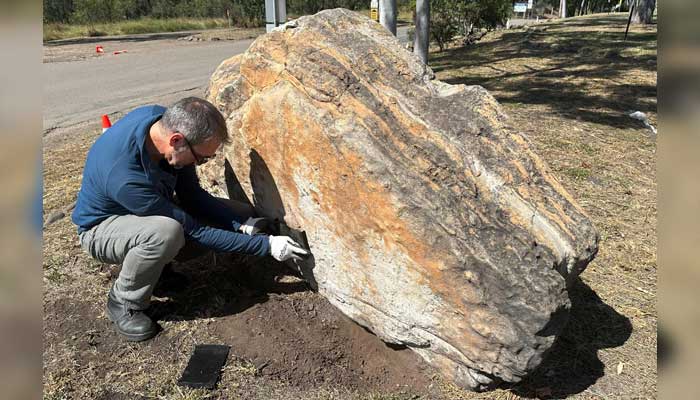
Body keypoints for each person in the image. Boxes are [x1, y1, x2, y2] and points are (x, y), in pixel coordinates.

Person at [72, 97, 309, 342]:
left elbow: (193, 196)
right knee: (166, 233)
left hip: (145, 211)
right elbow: (194, 230)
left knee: (239, 212)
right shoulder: (124, 175)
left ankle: (157, 271)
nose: (200, 163)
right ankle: (124, 301)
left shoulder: (163, 124)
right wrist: (267, 246)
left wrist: (242, 224)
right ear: (176, 141)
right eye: (201, 158)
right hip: (102, 229)